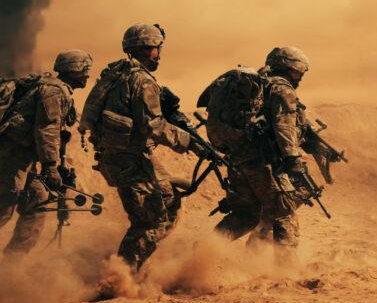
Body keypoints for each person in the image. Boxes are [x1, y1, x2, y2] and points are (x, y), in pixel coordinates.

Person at [80, 23, 195, 271]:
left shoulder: (117, 75)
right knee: (150, 223)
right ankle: (121, 277)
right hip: (129, 161)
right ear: (144, 49)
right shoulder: (142, 81)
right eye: (156, 48)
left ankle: (136, 267)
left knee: (169, 201)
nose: (158, 54)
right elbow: (153, 126)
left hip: (124, 157)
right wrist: (188, 141)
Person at [208, 47, 313, 254]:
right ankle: (285, 268)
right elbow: (284, 126)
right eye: (297, 72)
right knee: (284, 214)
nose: (299, 78)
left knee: (244, 215)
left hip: (237, 160)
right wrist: (292, 159)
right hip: (265, 163)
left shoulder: (259, 86)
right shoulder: (282, 89)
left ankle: (202, 253)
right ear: (286, 68)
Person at [0, 49, 92, 259]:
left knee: (38, 202)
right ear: (72, 70)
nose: (87, 75)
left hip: (25, 157)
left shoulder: (58, 89)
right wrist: (50, 167)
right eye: (84, 70)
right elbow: (46, 130)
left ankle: (12, 264)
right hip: (12, 155)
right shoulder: (53, 92)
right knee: (4, 206)